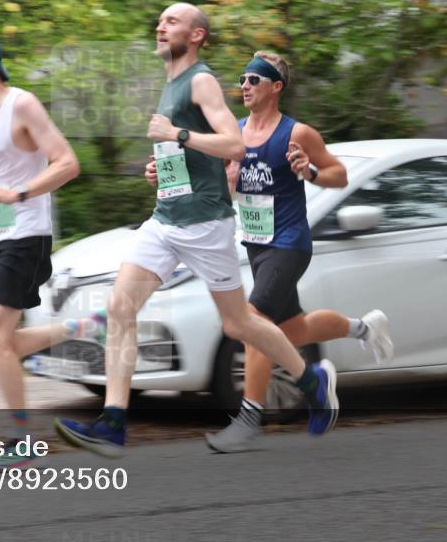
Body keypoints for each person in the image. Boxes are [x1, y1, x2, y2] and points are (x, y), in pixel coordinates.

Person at [54, 4, 339, 459]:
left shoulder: (202, 80)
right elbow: (189, 153)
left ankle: (312, 382)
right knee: (120, 306)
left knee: (238, 323)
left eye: (171, 21)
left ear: (198, 34)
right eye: (160, 19)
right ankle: (113, 423)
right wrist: (163, 168)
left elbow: (235, 145)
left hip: (205, 223)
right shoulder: (171, 85)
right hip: (166, 218)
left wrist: (179, 135)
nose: (160, 25)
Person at [164, 50, 394, 453]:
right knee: (293, 331)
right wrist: (171, 177)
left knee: (252, 323)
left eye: (254, 80)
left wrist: (310, 171)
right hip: (255, 245)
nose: (245, 87)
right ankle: (364, 328)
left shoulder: (296, 133)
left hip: (288, 244)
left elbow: (338, 174)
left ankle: (249, 419)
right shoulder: (233, 133)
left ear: (276, 87)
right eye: (242, 79)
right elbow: (210, 183)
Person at [0, 25, 93, 470]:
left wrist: (20, 194)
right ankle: (82, 331)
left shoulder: (22, 105)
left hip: (27, 234)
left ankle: (21, 439)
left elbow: (68, 163)